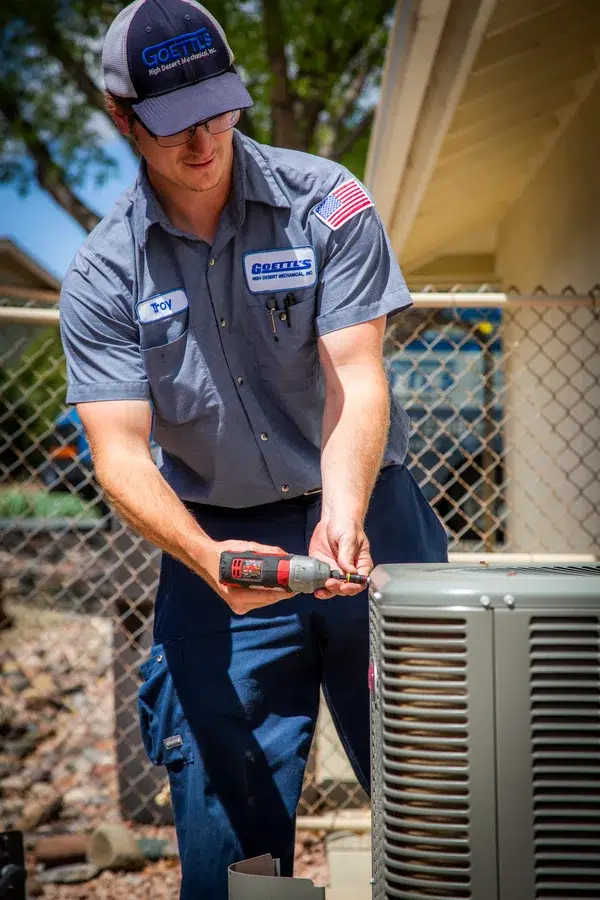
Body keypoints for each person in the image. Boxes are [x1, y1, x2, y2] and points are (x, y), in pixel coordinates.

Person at [59, 0, 448, 896]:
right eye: (171, 125)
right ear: (122, 118)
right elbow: (117, 452)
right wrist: (203, 556)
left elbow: (356, 372)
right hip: (219, 544)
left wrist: (343, 517)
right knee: (229, 829)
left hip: (369, 518)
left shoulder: (328, 202)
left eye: (219, 109)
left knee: (441, 785)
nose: (204, 141)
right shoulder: (103, 272)